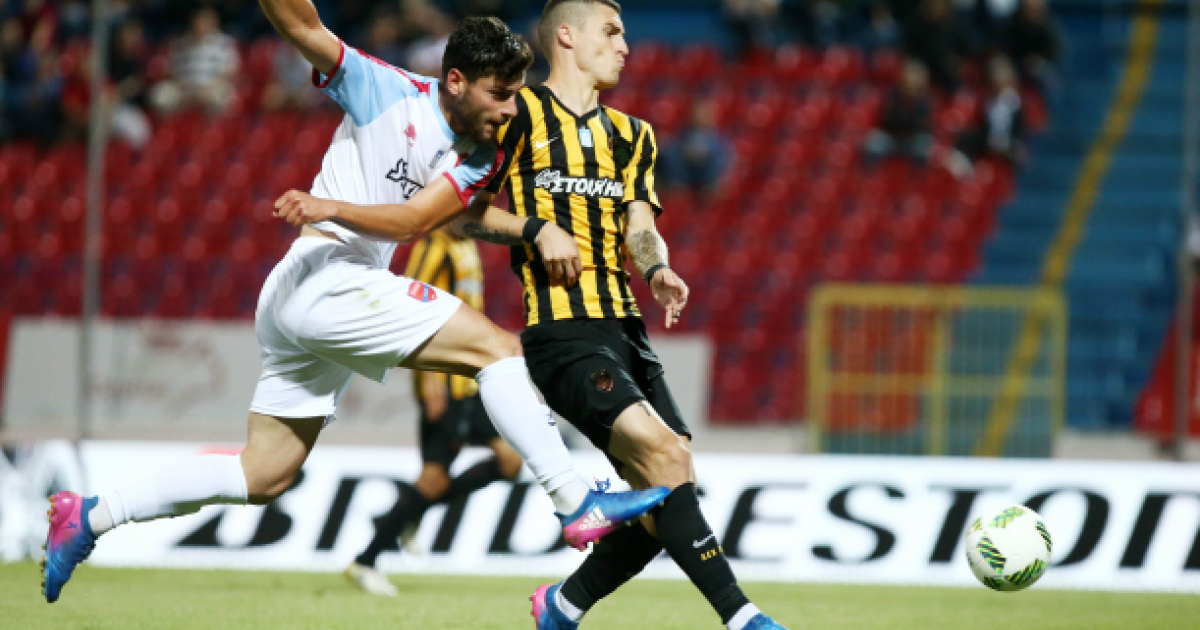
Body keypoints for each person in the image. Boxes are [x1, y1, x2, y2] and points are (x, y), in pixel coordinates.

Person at [40, 2, 670, 605]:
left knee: (264, 474)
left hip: (321, 289)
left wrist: (337, 206)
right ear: (455, 81)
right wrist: (332, 210)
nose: (511, 110)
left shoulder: (481, 154)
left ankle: (89, 515)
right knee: (497, 349)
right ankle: (573, 500)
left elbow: (420, 219)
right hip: (324, 274)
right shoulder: (384, 88)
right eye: (499, 95)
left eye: (516, 95)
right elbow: (301, 25)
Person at [442, 1, 792, 628]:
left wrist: (657, 269)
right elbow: (460, 214)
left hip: (626, 328)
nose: (625, 45)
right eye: (611, 32)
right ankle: (744, 618)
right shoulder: (517, 114)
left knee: (670, 479)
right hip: (562, 331)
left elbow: (640, 226)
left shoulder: (634, 135)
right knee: (662, 457)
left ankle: (564, 604)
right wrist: (536, 229)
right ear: (567, 37)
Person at [344, 227, 523, 597]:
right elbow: (411, 311)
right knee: (436, 479)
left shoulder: (466, 244)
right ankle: (367, 559)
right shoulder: (433, 248)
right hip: (444, 382)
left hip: (469, 381)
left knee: (505, 462)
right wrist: (429, 379)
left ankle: (409, 513)